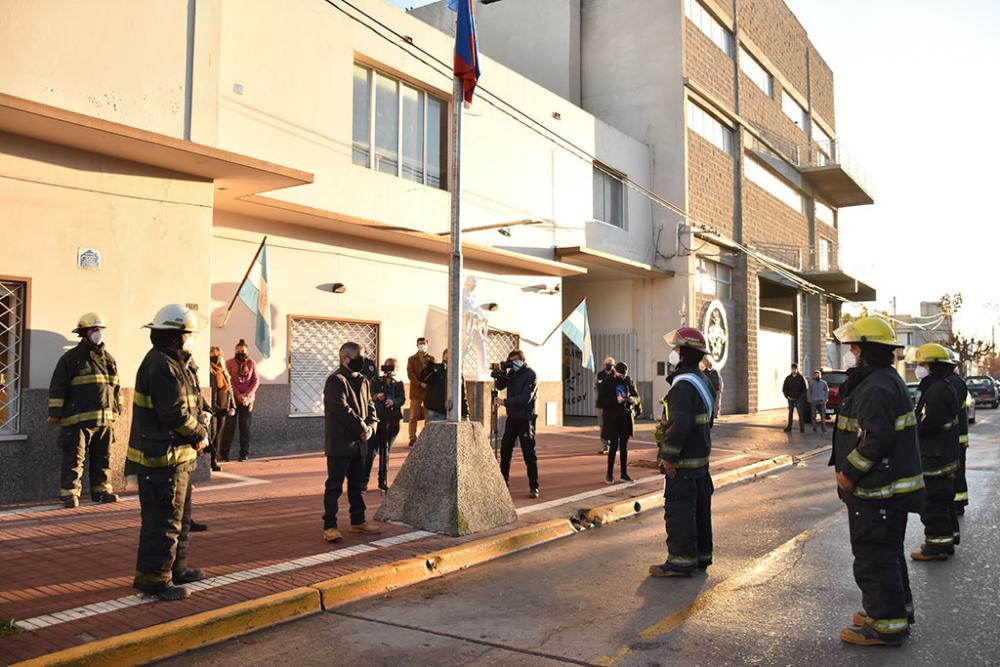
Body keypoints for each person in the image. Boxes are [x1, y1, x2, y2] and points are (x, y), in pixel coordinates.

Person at [829, 317, 924, 647]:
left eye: (855, 347)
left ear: (868, 351)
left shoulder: (876, 387)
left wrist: (849, 473)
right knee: (887, 552)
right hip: (884, 490)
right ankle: (894, 611)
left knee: (873, 555)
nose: (852, 353)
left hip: (876, 490)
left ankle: (885, 625)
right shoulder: (883, 380)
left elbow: (875, 438)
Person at [128, 304, 209, 601]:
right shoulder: (161, 365)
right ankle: (153, 580)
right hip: (162, 459)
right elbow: (173, 412)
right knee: (162, 521)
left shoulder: (175, 363)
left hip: (178, 457)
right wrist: (199, 434)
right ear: (176, 335)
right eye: (187, 333)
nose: (190, 338)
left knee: (180, 518)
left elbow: (188, 404)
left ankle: (177, 568)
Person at [649, 327, 716, 578]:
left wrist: (668, 456)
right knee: (700, 511)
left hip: (684, 465)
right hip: (700, 463)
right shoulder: (703, 381)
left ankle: (680, 561)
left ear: (685, 353)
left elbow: (681, 424)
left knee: (680, 512)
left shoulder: (683, 386)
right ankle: (701, 556)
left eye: (676, 348)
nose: (673, 353)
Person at [48, 312, 122, 508]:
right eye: (93, 329)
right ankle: (70, 494)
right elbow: (58, 386)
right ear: (84, 332)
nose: (98, 333)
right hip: (77, 420)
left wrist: (117, 409)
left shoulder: (109, 359)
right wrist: (55, 414)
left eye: (100, 329)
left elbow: (115, 387)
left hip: (105, 420)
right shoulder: (71, 359)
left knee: (104, 457)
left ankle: (102, 491)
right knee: (74, 458)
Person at [322, 342, 381, 543]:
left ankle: (358, 521)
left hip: (360, 444)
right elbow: (341, 409)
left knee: (357, 486)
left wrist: (371, 428)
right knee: (334, 486)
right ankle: (329, 525)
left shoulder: (364, 380)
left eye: (363, 356)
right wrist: (361, 428)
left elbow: (371, 407)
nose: (362, 361)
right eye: (357, 357)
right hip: (341, 444)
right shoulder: (335, 381)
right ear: (344, 358)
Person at [909, 343, 961, 562]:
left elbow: (931, 423)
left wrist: (913, 430)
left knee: (933, 502)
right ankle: (946, 541)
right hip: (942, 453)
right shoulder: (940, 386)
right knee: (943, 501)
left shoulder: (938, 390)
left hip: (936, 456)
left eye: (923, 364)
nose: (920, 368)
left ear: (934, 366)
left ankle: (935, 547)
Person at [494, 350, 540, 498]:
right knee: (505, 450)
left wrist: (504, 402)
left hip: (526, 418)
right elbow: (500, 386)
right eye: (510, 361)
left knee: (528, 453)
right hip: (512, 418)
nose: (513, 364)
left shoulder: (531, 375)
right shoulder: (512, 374)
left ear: (522, 360)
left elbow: (526, 397)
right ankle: (503, 482)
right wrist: (500, 371)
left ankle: (534, 486)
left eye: (515, 361)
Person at [596, 361, 640, 484]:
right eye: (620, 375)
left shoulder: (628, 381)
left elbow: (637, 397)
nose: (622, 378)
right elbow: (600, 402)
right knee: (613, 446)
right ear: (615, 371)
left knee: (624, 447)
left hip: (625, 417)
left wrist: (633, 400)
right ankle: (609, 474)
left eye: (624, 376)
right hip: (612, 418)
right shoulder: (607, 382)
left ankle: (624, 473)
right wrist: (615, 400)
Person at [369, 358, 405, 493]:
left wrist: (393, 402)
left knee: (385, 451)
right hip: (378, 420)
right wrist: (377, 396)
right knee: (371, 451)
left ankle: (382, 482)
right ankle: (364, 482)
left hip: (392, 421)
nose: (390, 370)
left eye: (393, 367)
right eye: (388, 367)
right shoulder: (376, 381)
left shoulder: (398, 384)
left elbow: (402, 399)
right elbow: (369, 395)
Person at [944, 349, 970, 520]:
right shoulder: (957, 382)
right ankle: (959, 502)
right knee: (958, 470)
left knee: (953, 471)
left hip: (952, 436)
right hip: (959, 434)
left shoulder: (949, 383)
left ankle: (957, 503)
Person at [225, 339, 259, 461]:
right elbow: (228, 381)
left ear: (247, 351)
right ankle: (224, 453)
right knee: (229, 427)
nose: (240, 353)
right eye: (238, 351)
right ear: (235, 351)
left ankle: (244, 453)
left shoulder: (252, 363)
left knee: (245, 428)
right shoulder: (229, 363)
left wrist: (248, 395)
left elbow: (255, 380)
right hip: (233, 400)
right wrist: (238, 395)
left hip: (247, 401)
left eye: (242, 351)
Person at [420, 349, 468, 421]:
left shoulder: (458, 374)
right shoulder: (436, 371)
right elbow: (424, 378)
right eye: (446, 360)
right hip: (436, 411)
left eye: (451, 360)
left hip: (453, 412)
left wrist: (465, 413)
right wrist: (429, 366)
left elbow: (462, 395)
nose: (448, 363)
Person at [208, 346, 236, 472]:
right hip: (212, 408)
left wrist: (232, 406)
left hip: (223, 407)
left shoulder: (223, 372)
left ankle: (214, 459)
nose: (215, 357)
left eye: (217, 355)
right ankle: (207, 460)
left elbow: (229, 389)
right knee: (212, 433)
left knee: (219, 434)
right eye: (212, 355)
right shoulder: (209, 371)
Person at [406, 338, 433, 446]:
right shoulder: (412, 359)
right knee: (413, 416)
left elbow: (433, 373)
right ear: (417, 345)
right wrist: (419, 383)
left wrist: (427, 384)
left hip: (428, 392)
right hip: (416, 391)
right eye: (420, 344)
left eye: (424, 343)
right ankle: (412, 437)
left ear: (427, 344)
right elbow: (410, 374)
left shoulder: (431, 359)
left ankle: (426, 437)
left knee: (428, 416)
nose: (422, 345)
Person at [595, 356, 615, 455]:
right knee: (602, 426)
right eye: (607, 364)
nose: (608, 366)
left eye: (610, 364)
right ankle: (605, 446)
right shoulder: (600, 374)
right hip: (602, 405)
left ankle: (612, 446)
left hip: (612, 405)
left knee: (612, 425)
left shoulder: (615, 375)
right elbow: (597, 387)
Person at [782, 363, 807, 432]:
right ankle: (789, 427)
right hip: (790, 399)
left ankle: (802, 428)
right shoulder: (788, 378)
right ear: (791, 369)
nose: (794, 370)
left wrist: (801, 397)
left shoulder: (801, 378)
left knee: (800, 414)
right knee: (790, 414)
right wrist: (787, 396)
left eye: (795, 369)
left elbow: (804, 389)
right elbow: (784, 388)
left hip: (798, 399)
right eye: (792, 368)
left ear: (797, 369)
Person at [702, 356, 723, 421]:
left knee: (716, 402)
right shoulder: (704, 372)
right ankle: (709, 414)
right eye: (708, 363)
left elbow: (718, 381)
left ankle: (716, 414)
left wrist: (718, 388)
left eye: (710, 363)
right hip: (708, 390)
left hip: (715, 389)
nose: (709, 364)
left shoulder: (715, 372)